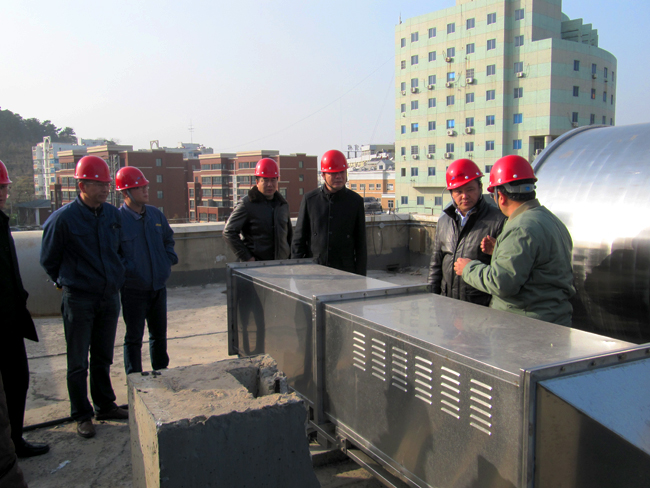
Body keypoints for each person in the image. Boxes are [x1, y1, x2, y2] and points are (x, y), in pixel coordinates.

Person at [40, 155, 128, 439]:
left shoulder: (112, 215)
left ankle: (105, 405)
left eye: (107, 184)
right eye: (99, 184)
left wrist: (116, 276)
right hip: (79, 298)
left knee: (103, 355)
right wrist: (67, 282)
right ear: (82, 185)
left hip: (108, 296)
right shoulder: (63, 219)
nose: (105, 189)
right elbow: (49, 260)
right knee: (78, 360)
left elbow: (120, 251)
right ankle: (81, 414)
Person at [454, 155, 575, 325]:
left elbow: (502, 283)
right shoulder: (551, 220)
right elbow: (538, 264)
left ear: (501, 196)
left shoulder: (520, 228)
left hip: (526, 326)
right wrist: (499, 250)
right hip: (553, 320)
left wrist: (468, 268)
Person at [0, 161, 49, 458]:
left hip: (11, 320)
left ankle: (14, 441)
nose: (3, 192)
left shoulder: (2, 223)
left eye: (4, 187)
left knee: (17, 382)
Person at [115, 166, 178, 375]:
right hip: (133, 289)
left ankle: (161, 373)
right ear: (126, 192)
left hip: (158, 286)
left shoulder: (155, 215)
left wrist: (167, 261)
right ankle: (134, 377)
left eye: (145, 186)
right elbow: (113, 253)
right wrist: (129, 272)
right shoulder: (117, 220)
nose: (145, 190)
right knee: (134, 338)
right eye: (139, 187)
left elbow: (168, 240)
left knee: (159, 335)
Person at [428, 159, 506, 306]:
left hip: (479, 307)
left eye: (470, 189)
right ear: (451, 193)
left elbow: (504, 271)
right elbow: (436, 265)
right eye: (458, 191)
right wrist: (432, 298)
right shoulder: (444, 221)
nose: (464, 196)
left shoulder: (498, 221)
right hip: (447, 304)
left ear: (480, 188)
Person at [292, 149, 367, 275]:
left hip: (345, 272)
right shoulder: (310, 200)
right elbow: (299, 240)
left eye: (342, 172)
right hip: (315, 271)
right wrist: (297, 271)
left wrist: (361, 277)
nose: (338, 177)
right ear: (323, 175)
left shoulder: (355, 201)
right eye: (333, 173)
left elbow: (361, 245)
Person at [223, 158, 292, 261]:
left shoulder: (282, 205)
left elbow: (289, 235)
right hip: (257, 265)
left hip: (281, 265)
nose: (270, 184)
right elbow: (229, 232)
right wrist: (247, 257)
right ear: (257, 182)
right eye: (265, 180)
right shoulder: (247, 204)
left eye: (273, 180)